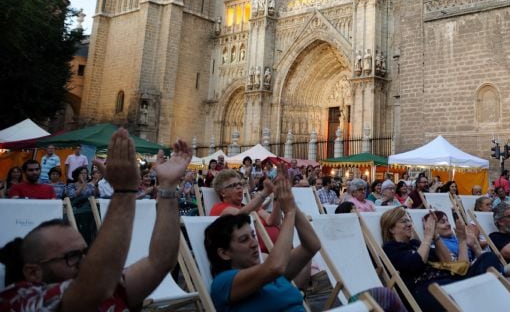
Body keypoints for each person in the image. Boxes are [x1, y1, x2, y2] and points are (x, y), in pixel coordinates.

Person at [0, 128, 192, 311]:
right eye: (72, 256)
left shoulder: (110, 288)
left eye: (85, 252)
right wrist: (124, 191)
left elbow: (160, 261)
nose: (85, 261)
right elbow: (96, 286)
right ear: (33, 272)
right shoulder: (20, 300)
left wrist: (167, 187)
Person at [204, 171, 321, 311]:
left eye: (253, 236)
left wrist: (290, 202)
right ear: (224, 253)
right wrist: (289, 212)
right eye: (244, 240)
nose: (254, 244)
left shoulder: (270, 275)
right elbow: (275, 266)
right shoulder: (224, 282)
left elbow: (312, 246)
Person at [380, 207, 503, 312]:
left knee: (488, 257)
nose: (409, 224)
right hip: (427, 289)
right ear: (391, 228)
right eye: (404, 221)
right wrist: (428, 236)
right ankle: (486, 299)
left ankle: (486, 298)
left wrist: (435, 236)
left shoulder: (416, 243)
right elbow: (415, 264)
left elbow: (448, 262)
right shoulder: (390, 248)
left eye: (409, 221)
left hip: (448, 280)